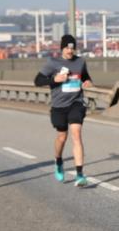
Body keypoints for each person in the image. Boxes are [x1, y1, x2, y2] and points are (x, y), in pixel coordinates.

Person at [35, 34, 93, 187]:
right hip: (59, 106)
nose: (70, 50)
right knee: (62, 136)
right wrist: (54, 80)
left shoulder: (80, 62)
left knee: (76, 134)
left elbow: (86, 76)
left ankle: (80, 175)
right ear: (62, 48)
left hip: (76, 103)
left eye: (72, 48)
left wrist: (87, 82)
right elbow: (37, 81)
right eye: (67, 47)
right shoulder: (52, 63)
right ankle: (58, 160)